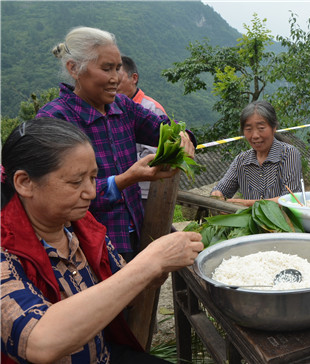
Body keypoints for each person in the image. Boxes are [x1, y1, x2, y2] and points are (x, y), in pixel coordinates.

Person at [1, 118, 204, 364]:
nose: (91, 192)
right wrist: (151, 261)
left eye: (93, 178)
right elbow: (39, 342)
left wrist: (160, 268)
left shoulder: (83, 227)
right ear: (25, 183)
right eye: (76, 182)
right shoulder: (6, 250)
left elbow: (124, 287)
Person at [36, 26, 196, 261]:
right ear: (74, 69)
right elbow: (57, 195)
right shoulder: (55, 119)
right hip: (86, 247)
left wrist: (185, 138)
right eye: (106, 68)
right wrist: (126, 179)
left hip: (134, 235)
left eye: (118, 67)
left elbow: (166, 128)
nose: (116, 78)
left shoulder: (123, 107)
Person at [211, 100, 302, 207]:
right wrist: (217, 195)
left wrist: (245, 204)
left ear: (274, 127)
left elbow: (291, 199)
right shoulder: (241, 161)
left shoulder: (289, 154)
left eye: (261, 128)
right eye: (248, 129)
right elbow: (221, 190)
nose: (255, 135)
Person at [117, 55, 166, 204]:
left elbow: (151, 155)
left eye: (118, 79)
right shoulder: (111, 107)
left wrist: (115, 161)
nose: (112, 82)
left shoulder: (151, 109)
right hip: (119, 187)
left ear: (134, 78)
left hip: (143, 190)